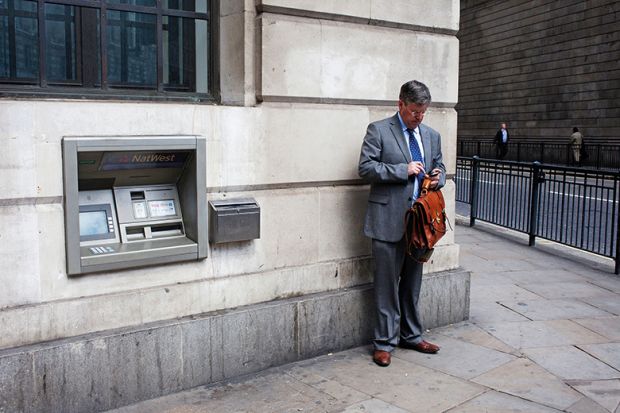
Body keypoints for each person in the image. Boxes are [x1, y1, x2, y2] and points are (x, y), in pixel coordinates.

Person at [358, 80, 446, 367]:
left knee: (412, 284)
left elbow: (441, 167)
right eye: (414, 112)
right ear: (400, 104)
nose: (418, 117)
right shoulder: (379, 130)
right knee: (386, 285)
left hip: (420, 225)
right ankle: (384, 343)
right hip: (388, 221)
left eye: (423, 112)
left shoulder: (431, 135)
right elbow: (366, 168)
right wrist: (402, 170)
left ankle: (411, 335)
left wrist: (438, 176)